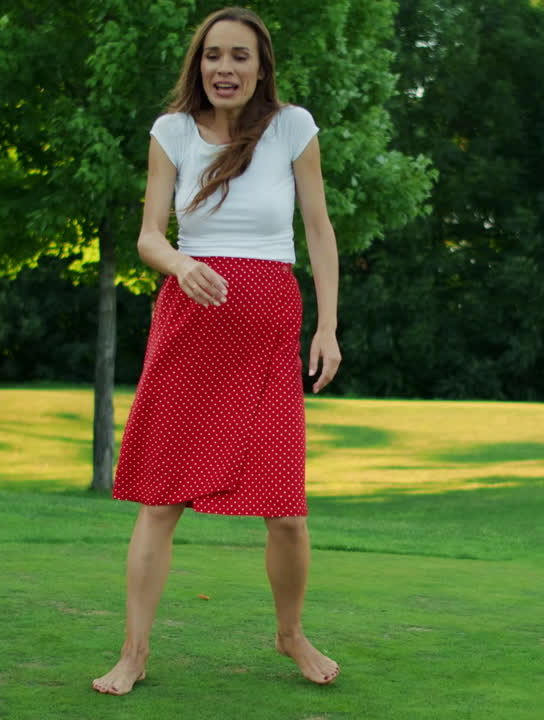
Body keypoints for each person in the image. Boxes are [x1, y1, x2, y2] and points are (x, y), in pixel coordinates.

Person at [91, 6, 342, 696]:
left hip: (267, 329)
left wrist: (327, 327)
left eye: (238, 57)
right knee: (160, 500)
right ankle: (134, 652)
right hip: (191, 325)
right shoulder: (171, 132)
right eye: (212, 56)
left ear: (261, 67)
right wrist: (178, 263)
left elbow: (318, 230)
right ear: (197, 65)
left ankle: (290, 634)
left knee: (286, 511)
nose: (224, 68)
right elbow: (148, 235)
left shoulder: (293, 127)